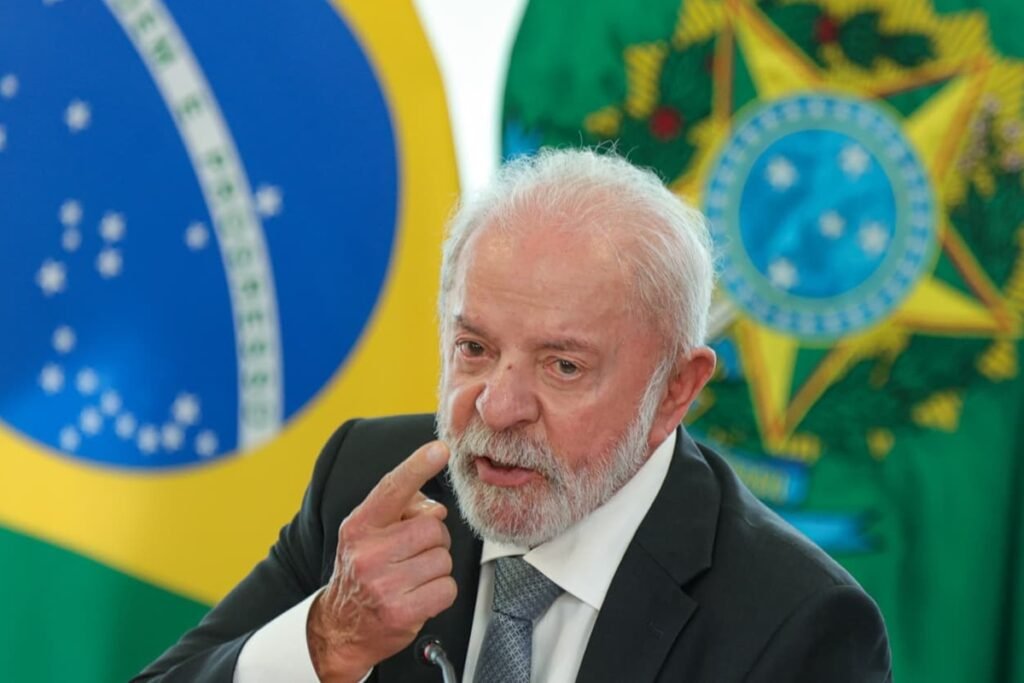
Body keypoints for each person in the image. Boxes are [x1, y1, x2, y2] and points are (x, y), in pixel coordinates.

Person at [136, 148, 892, 682]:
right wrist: (326, 640)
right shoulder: (370, 483)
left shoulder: (796, 623)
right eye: (473, 348)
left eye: (563, 366)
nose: (497, 407)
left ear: (674, 390)